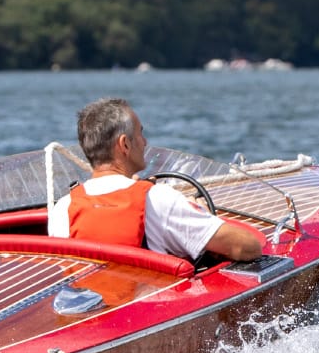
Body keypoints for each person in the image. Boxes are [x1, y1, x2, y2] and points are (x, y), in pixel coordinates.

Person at [47, 98, 264, 262]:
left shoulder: (63, 209)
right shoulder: (158, 199)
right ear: (124, 145)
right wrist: (202, 213)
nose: (145, 141)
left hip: (93, 314)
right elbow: (247, 247)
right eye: (140, 134)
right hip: (151, 309)